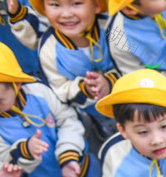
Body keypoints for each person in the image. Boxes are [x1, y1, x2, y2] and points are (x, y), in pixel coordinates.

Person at [0, 38, 108, 177]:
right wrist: (24, 151)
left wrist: (69, 155)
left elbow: (68, 119)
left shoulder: (39, 91)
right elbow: (1, 160)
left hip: (79, 163)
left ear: (17, 84)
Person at [32, 0, 119, 137]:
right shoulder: (48, 50)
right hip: (90, 103)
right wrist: (85, 89)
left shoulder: (111, 28)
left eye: (76, 3)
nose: (66, 14)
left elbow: (132, 59)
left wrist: (110, 81)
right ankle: (102, 120)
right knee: (98, 114)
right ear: (44, 8)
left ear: (96, 5)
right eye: (55, 5)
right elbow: (60, 88)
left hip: (126, 91)